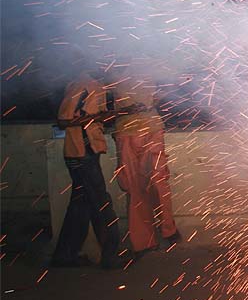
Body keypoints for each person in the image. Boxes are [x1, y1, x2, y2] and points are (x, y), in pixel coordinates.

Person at [51, 69, 123, 269]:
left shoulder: (90, 85)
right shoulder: (83, 85)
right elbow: (63, 121)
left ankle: (64, 256)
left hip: (83, 153)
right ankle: (111, 257)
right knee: (101, 204)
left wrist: (104, 116)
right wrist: (97, 118)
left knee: (80, 206)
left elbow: (87, 117)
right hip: (82, 154)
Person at [111, 71, 181, 257]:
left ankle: (144, 241)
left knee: (136, 187)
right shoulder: (151, 63)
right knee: (158, 180)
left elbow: (109, 106)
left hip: (128, 130)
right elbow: (162, 94)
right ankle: (168, 230)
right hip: (150, 127)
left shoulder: (113, 67)